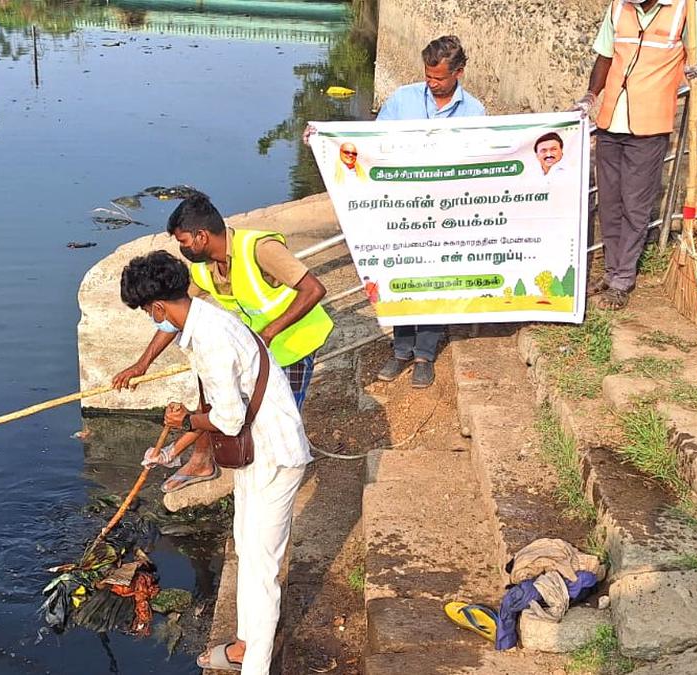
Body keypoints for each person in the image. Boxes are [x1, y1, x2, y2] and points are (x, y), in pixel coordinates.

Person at [120, 251, 311, 675]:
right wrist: (172, 448)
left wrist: (184, 419)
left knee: (261, 567)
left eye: (148, 314)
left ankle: (255, 666)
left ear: (156, 307)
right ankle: (246, 643)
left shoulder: (209, 340)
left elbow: (227, 419)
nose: (153, 321)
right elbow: (222, 408)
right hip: (256, 454)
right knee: (246, 546)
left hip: (274, 456)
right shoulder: (207, 318)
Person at [113, 192, 332, 492]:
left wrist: (268, 334)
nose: (182, 249)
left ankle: (280, 476)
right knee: (216, 397)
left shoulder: (259, 249)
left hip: (295, 342)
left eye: (184, 241)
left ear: (201, 236)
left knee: (274, 420)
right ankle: (203, 461)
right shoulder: (205, 268)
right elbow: (172, 310)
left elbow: (314, 289)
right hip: (258, 349)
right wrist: (143, 363)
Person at [347, 35, 487, 388]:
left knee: (433, 280)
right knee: (400, 277)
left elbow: (481, 162)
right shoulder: (402, 99)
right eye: (428, 76)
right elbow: (371, 146)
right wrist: (324, 138)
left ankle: (425, 353)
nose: (432, 83)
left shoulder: (474, 112)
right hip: (402, 209)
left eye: (439, 78)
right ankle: (400, 350)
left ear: (459, 72)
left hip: (446, 213)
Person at [573, 0, 697, 309]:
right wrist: (590, 96)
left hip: (649, 126)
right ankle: (610, 273)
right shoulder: (618, 7)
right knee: (609, 203)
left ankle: (623, 280)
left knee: (635, 206)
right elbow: (605, 57)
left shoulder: (686, 9)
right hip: (611, 120)